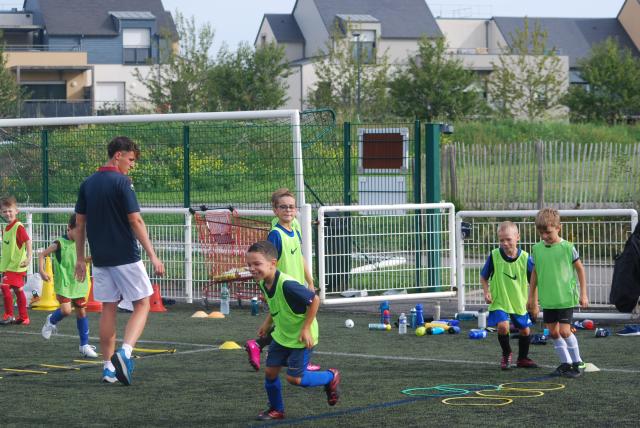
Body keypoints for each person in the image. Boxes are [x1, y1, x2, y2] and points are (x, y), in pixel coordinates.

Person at [74, 136, 165, 385]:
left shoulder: (88, 183)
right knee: (143, 303)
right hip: (125, 255)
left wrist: (80, 258)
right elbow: (135, 220)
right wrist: (153, 255)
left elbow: (79, 224)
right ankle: (124, 353)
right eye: (131, 159)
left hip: (101, 258)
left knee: (108, 309)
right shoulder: (122, 182)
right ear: (118, 156)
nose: (132, 165)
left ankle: (107, 368)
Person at [246, 241, 340, 421]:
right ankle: (276, 409)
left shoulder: (288, 284)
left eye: (257, 264)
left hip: (300, 338)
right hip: (281, 336)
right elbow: (277, 305)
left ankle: (330, 376)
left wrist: (306, 329)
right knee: (270, 373)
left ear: (273, 263)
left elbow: (315, 300)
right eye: (249, 264)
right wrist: (267, 323)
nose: (252, 268)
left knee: (295, 379)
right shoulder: (262, 282)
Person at [245, 188, 319, 371]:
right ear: (275, 210)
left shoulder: (294, 227)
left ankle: (260, 346)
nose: (288, 211)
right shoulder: (276, 235)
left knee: (289, 319)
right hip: (283, 286)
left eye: (291, 207)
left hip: (295, 285)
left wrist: (309, 281)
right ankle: (267, 348)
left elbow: (300, 256)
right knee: (292, 320)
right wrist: (273, 283)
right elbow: (269, 260)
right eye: (283, 207)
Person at [527, 208, 588, 378]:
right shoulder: (537, 249)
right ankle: (566, 363)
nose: (544, 236)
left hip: (565, 298)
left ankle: (578, 362)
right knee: (553, 333)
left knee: (565, 331)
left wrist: (583, 294)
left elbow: (580, 270)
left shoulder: (568, 247)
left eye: (548, 232)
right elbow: (535, 273)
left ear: (558, 228)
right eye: (541, 233)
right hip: (548, 299)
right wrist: (531, 297)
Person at [39, 214, 98, 358]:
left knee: (82, 312)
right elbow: (42, 254)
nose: (81, 236)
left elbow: (79, 260)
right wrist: (41, 271)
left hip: (78, 282)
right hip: (64, 283)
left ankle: (84, 345)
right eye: (78, 232)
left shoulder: (80, 243)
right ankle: (51, 320)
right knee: (66, 311)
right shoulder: (59, 243)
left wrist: (92, 258)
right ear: (69, 228)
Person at [480, 221, 537, 370]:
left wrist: (534, 302)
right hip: (500, 300)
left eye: (508, 239)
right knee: (503, 326)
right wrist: (487, 291)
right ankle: (506, 354)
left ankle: (523, 358)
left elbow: (534, 280)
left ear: (517, 237)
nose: (504, 243)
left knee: (525, 330)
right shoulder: (494, 255)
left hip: (519, 301)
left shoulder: (526, 258)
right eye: (501, 240)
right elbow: (483, 276)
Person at [0, 195, 32, 326]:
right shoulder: (6, 228)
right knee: (18, 291)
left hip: (16, 265)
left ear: (16, 211)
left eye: (10, 211)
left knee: (4, 286)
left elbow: (28, 241)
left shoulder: (18, 226)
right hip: (9, 266)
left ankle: (9, 315)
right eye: (4, 211)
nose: (7, 213)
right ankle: (24, 317)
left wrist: (29, 258)